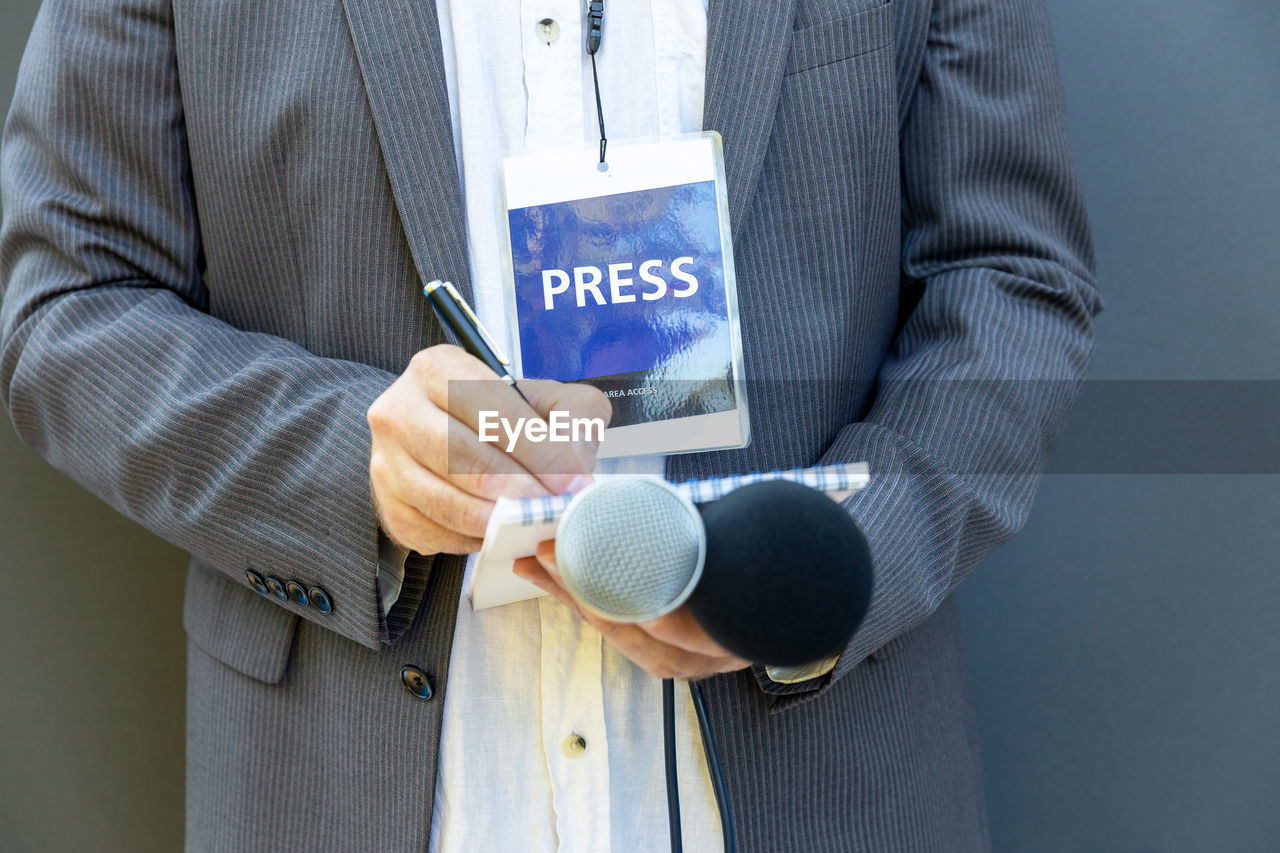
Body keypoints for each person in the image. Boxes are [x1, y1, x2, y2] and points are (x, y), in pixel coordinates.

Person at [0, 0, 1101, 850]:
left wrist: (821, 573)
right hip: (342, 786)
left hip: (820, 781)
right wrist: (349, 463)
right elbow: (65, 307)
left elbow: (1006, 277)